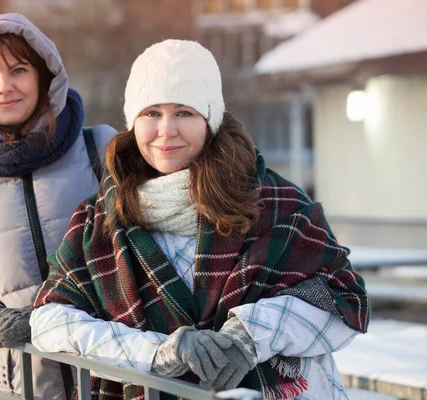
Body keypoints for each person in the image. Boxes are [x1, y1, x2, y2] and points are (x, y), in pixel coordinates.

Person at [30, 39, 369, 400]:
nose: (166, 131)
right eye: (151, 114)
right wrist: (157, 353)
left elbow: (342, 301)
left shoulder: (274, 202)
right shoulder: (96, 221)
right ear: (133, 122)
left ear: (210, 120)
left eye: (184, 112)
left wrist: (250, 335)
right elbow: (50, 321)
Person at [0, 13, 116, 399]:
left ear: (43, 76)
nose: (4, 87)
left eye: (18, 70)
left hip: (112, 370)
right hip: (23, 382)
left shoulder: (99, 148)